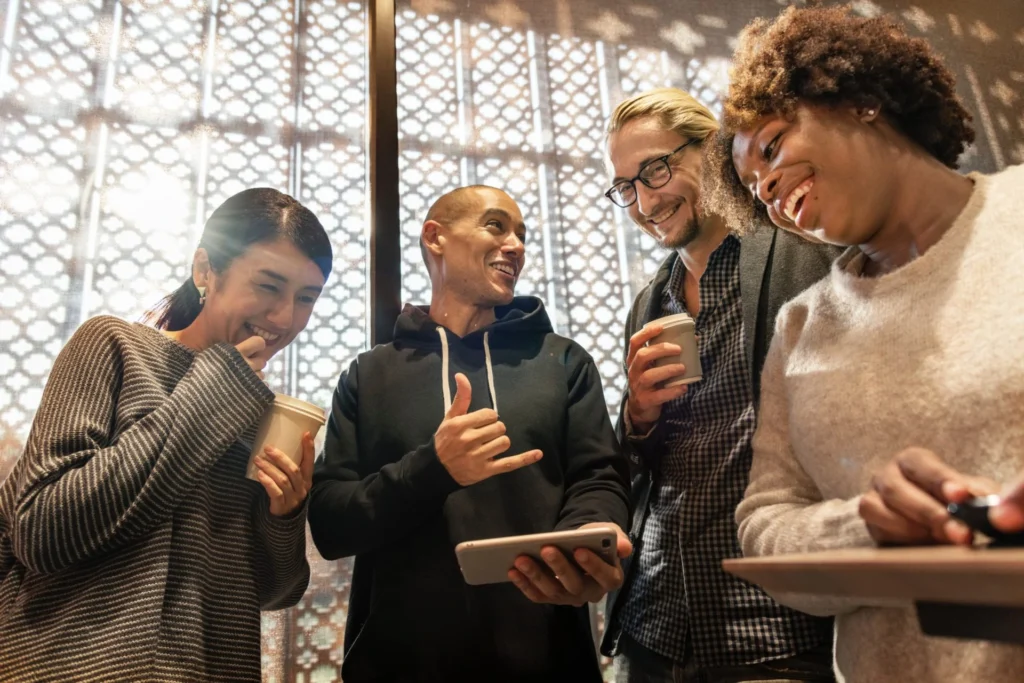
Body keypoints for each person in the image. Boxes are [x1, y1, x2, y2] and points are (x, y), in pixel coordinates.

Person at [703, 5, 1024, 682]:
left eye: (771, 146)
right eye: (755, 190)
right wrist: (866, 526)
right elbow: (765, 518)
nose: (766, 189)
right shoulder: (800, 325)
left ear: (862, 101)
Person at [0, 188, 333, 681]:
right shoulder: (113, 345)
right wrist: (220, 384)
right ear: (205, 270)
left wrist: (284, 517)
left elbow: (272, 592)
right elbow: (42, 530)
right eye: (268, 285)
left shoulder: (263, 409)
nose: (285, 318)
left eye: (305, 298)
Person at [308, 185, 631, 682]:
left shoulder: (563, 360)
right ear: (436, 237)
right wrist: (433, 468)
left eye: (522, 234)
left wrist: (591, 533)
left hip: (547, 661)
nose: (517, 245)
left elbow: (598, 477)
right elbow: (331, 525)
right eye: (496, 226)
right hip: (398, 665)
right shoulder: (369, 373)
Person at [600, 87, 839, 683]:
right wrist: (637, 418)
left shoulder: (803, 252)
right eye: (626, 186)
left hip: (773, 624)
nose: (644, 201)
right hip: (654, 624)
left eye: (656, 168)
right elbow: (635, 465)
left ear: (711, 147)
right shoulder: (647, 305)